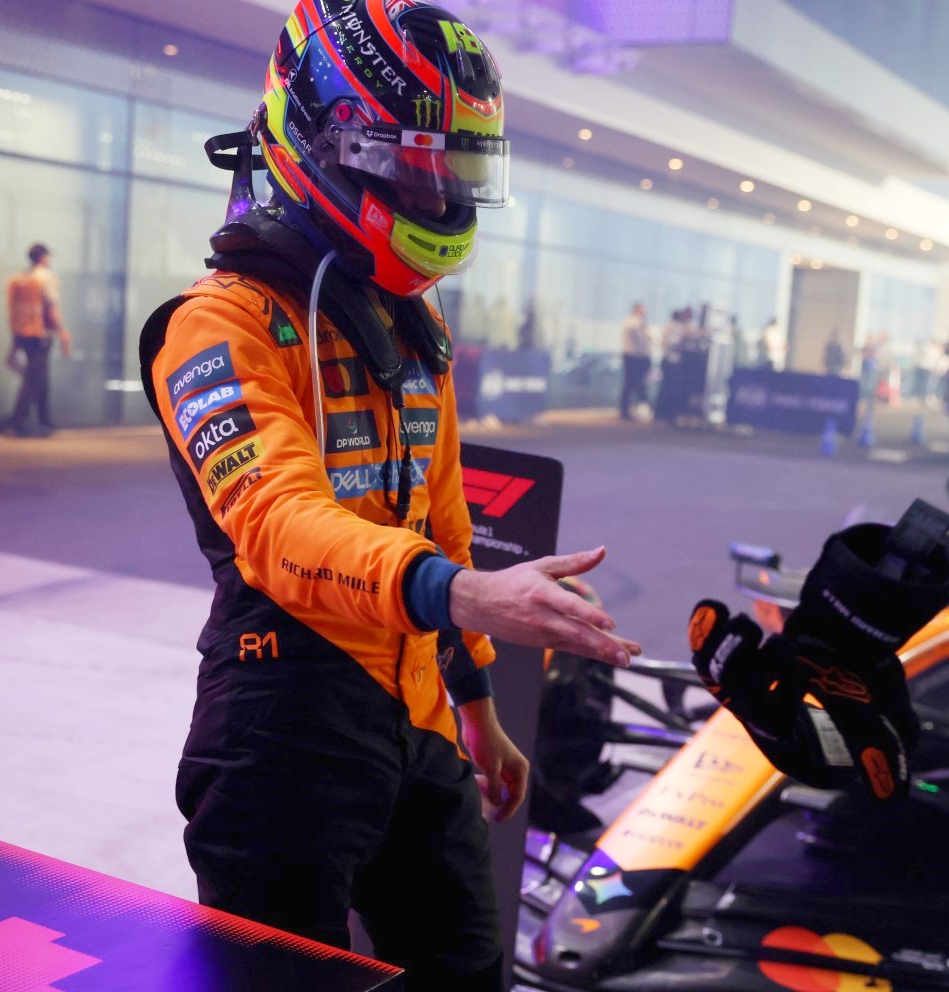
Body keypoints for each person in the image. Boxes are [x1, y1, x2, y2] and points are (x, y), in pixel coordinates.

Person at [135, 5, 639, 989]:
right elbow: (280, 525)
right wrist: (459, 594)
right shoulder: (211, 327)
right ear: (325, 142)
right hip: (279, 725)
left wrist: (478, 699)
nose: (438, 192)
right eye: (414, 167)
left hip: (413, 715)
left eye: (455, 170)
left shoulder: (410, 317)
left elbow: (441, 519)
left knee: (466, 970)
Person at [0, 243, 72, 437]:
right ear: (42, 258)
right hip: (40, 334)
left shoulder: (21, 278)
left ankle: (45, 420)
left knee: (41, 377)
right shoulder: (46, 278)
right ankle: (18, 421)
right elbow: (52, 310)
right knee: (34, 378)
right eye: (48, 257)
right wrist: (63, 332)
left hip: (22, 333)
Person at [618, 301, 651, 420]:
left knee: (636, 384)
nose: (644, 313)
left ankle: (631, 410)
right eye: (642, 310)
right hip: (633, 357)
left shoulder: (639, 323)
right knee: (630, 384)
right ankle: (625, 411)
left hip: (637, 357)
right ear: (636, 310)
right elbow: (641, 340)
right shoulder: (633, 323)